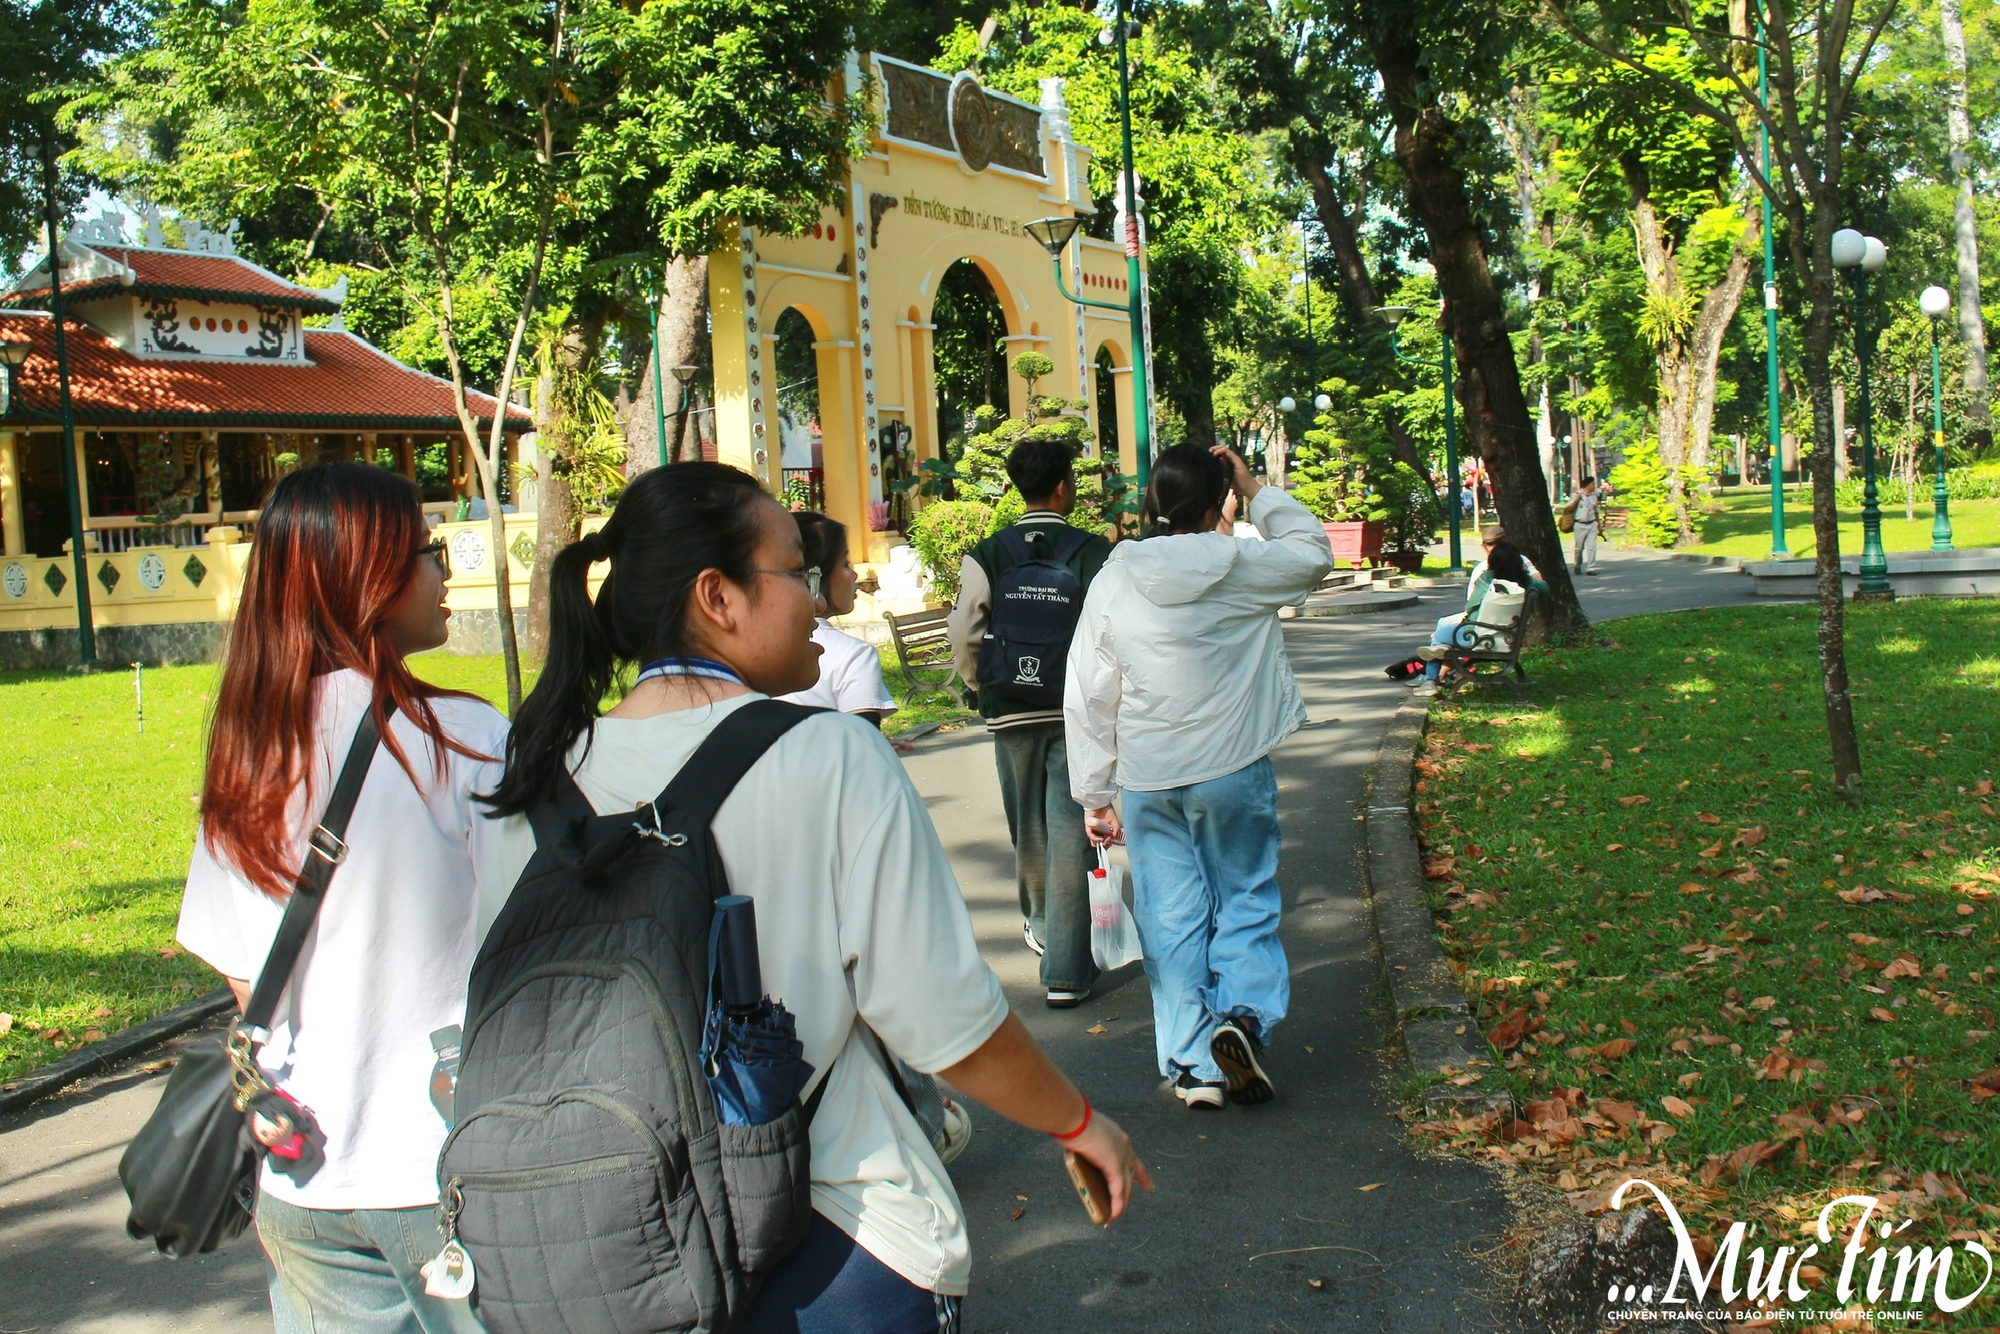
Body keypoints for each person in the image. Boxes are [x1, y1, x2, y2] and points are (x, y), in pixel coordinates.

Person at [476, 462, 1148, 1330]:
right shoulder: (831, 757)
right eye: (794, 572)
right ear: (717, 596)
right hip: (829, 1239)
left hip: (599, 1252)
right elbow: (944, 1022)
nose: (820, 601)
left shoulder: (536, 784)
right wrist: (1080, 1123)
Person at [174, 462, 505, 1334]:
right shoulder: (465, 740)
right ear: (367, 579)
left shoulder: (247, 755)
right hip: (451, 1168)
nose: (444, 572)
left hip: (301, 1172)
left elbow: (247, 983)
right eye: (425, 552)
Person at [1064, 444, 1333, 1111]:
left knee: (1171, 916)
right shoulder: (1245, 564)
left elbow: (1088, 691)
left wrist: (1094, 794)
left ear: (1152, 504)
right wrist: (1257, 487)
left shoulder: (1116, 576)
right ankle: (1241, 1017)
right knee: (1242, 897)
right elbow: (1313, 550)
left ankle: (1192, 1066)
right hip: (1231, 766)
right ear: (1223, 501)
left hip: (1148, 777)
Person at [946, 439, 1113, 1010]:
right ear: (1065, 486)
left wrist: (978, 685)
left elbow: (965, 632)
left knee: (1028, 826)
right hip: (1075, 710)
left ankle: (1042, 924)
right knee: (1070, 825)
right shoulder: (1095, 551)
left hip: (1009, 707)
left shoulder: (988, 552)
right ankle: (1067, 971)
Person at [779, 511, 896, 728]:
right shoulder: (854, 654)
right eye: (845, 563)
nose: (854, 575)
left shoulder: (751, 650)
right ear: (814, 575)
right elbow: (863, 743)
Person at [1410, 538, 1547, 698]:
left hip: (1476, 637)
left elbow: (1470, 606)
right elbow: (1544, 587)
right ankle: (1445, 667)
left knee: (1440, 633)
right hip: (1508, 639)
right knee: (1445, 636)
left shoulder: (1488, 579)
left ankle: (1430, 682)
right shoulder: (1526, 582)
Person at [1571, 475, 1603, 575]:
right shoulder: (1577, 495)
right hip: (1580, 524)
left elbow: (1596, 511)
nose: (1594, 486)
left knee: (1592, 547)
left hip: (1592, 523)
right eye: (1593, 484)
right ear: (1588, 485)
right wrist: (1576, 500)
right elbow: (1568, 509)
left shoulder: (1594, 497)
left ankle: (1590, 568)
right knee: (1579, 548)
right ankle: (1577, 564)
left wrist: (1599, 526)